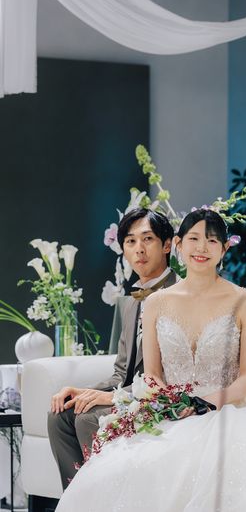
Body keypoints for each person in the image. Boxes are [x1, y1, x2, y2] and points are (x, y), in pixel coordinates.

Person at [55, 208, 246, 512]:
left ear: (225, 248)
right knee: (117, 469)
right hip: (172, 412)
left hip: (228, 412)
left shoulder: (245, 302)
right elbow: (152, 374)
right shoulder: (156, 302)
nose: (201, 248)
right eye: (193, 239)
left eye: (212, 240)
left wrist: (202, 403)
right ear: (179, 244)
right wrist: (170, 404)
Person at [47, 208, 176, 488]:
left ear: (167, 245)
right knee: (60, 415)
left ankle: (107, 499)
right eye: (130, 241)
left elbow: (173, 377)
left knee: (87, 419)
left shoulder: (181, 296)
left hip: (164, 400)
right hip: (130, 396)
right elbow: (121, 372)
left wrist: (111, 398)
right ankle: (76, 500)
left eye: (148, 239)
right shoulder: (130, 303)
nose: (139, 249)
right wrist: (83, 391)